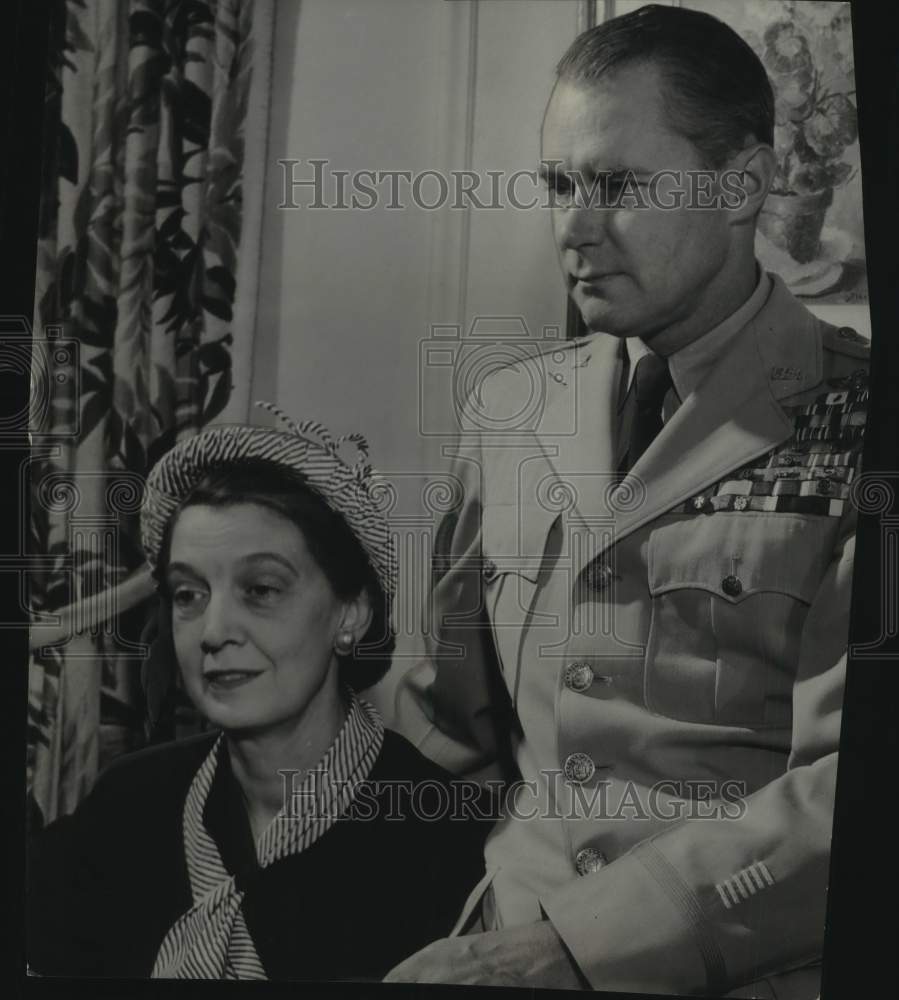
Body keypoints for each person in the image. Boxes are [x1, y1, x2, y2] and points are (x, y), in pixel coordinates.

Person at [388, 5, 869, 997]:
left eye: (615, 185)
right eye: (558, 185)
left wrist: (579, 946)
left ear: (741, 183)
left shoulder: (860, 421)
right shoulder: (508, 413)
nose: (572, 225)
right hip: (489, 951)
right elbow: (446, 726)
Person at [27, 404, 491, 981]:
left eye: (262, 589)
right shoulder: (128, 807)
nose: (214, 630)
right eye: (188, 594)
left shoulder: (446, 835)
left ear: (351, 612)